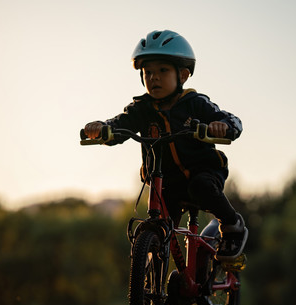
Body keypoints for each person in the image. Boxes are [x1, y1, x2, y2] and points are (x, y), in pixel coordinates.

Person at [83, 30, 247, 261]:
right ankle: (158, 282)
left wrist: (221, 126)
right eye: (147, 72)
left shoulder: (195, 103)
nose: (154, 77)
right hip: (166, 183)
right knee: (158, 225)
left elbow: (233, 121)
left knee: (201, 186)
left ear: (183, 75)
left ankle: (232, 225)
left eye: (162, 70)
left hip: (203, 172)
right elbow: (120, 124)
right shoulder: (142, 109)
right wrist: (102, 128)